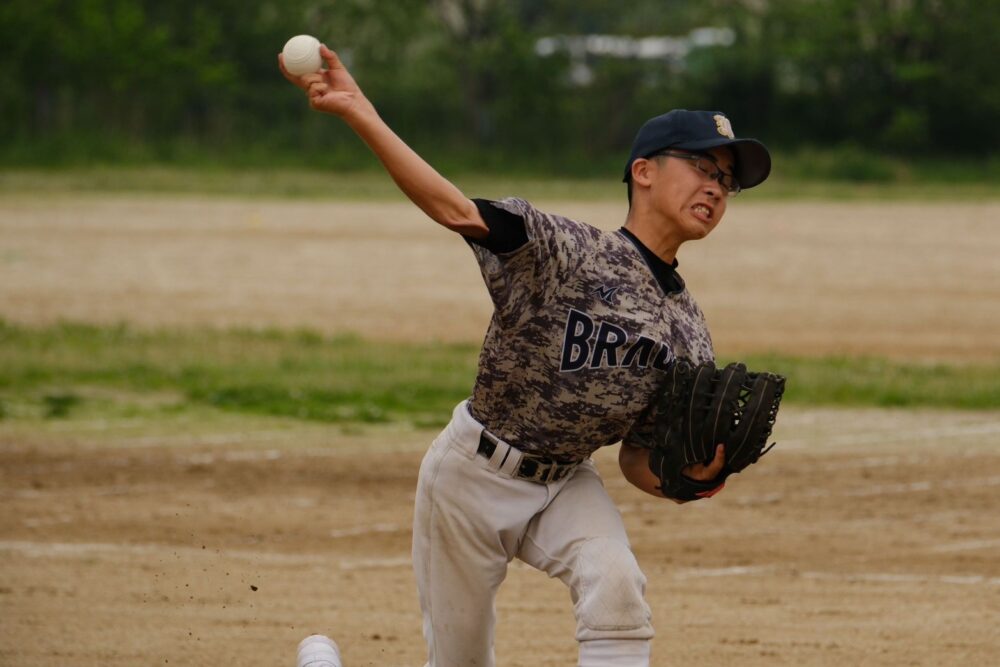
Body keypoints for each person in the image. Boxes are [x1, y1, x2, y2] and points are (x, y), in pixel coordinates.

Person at [280, 43, 771, 667]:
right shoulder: (565, 250)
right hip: (470, 478)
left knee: (617, 588)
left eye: (728, 180)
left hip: (566, 481)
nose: (717, 187)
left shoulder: (689, 329)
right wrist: (360, 113)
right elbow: (454, 209)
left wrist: (687, 481)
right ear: (644, 171)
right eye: (704, 166)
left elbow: (638, 457)